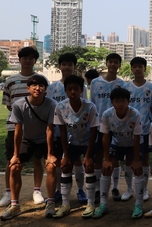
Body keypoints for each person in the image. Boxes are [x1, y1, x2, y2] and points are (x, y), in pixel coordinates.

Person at [0, 74, 58, 220]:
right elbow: (18, 131)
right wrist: (15, 155)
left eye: (41, 86)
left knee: (51, 166)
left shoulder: (52, 104)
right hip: (27, 139)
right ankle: (14, 205)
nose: (38, 88)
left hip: (44, 139)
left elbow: (50, 129)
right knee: (14, 167)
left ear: (45, 89)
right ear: (28, 88)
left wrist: (50, 154)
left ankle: (50, 203)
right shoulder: (19, 105)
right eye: (34, 85)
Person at [0, 47, 45, 208]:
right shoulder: (10, 81)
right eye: (25, 58)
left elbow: (44, 103)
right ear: (20, 60)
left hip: (37, 129)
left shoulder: (41, 80)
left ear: (35, 61)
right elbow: (8, 105)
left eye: (31, 58)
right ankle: (8, 192)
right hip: (14, 127)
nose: (28, 61)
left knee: (38, 159)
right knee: (12, 160)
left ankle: (37, 191)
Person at [93, 87, 145, 219]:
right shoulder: (107, 114)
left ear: (128, 101)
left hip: (133, 143)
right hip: (117, 143)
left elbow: (137, 137)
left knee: (137, 169)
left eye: (123, 101)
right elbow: (105, 136)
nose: (120, 104)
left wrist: (136, 160)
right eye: (116, 101)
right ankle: (103, 204)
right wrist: (106, 159)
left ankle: (139, 204)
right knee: (107, 169)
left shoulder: (135, 114)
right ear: (112, 102)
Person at [53, 74, 100, 218]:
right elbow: (62, 132)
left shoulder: (90, 107)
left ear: (81, 90)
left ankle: (90, 203)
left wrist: (88, 155)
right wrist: (65, 155)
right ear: (65, 90)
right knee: (66, 167)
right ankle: (65, 204)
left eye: (76, 88)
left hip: (88, 142)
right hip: (71, 142)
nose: (72, 91)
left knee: (89, 167)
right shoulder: (60, 107)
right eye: (69, 89)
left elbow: (94, 131)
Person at [47, 52, 82, 204]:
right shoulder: (53, 87)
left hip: (76, 132)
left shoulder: (80, 86)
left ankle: (81, 190)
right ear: (59, 66)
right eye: (64, 64)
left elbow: (84, 108)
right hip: (57, 131)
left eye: (70, 64)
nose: (67, 67)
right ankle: (58, 191)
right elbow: (50, 108)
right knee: (59, 161)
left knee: (78, 160)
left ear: (74, 67)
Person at [90, 53, 125, 204]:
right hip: (99, 125)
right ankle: (98, 189)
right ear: (106, 63)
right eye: (110, 62)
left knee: (114, 158)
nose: (112, 64)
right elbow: (92, 103)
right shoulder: (95, 82)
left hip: (116, 126)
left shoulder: (122, 83)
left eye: (116, 62)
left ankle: (115, 188)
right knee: (98, 157)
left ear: (119, 65)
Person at [123, 57, 152, 202]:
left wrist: (151, 126)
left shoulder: (151, 87)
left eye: (140, 66)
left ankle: (143, 190)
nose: (137, 69)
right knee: (129, 159)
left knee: (144, 159)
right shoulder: (126, 87)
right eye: (135, 67)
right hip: (129, 129)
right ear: (131, 69)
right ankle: (129, 189)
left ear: (145, 68)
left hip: (145, 128)